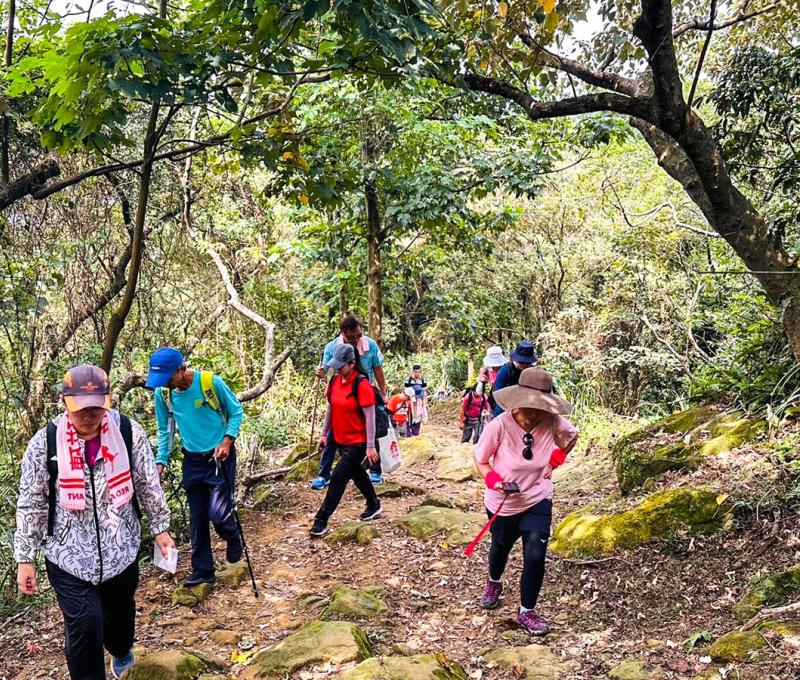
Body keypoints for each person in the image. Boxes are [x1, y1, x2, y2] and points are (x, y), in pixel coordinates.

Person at [14, 365, 174, 679]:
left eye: (96, 408)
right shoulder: (44, 443)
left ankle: (120, 647)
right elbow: (32, 502)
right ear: (64, 402)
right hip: (67, 556)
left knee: (120, 618)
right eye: (80, 409)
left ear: (108, 401)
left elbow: (147, 483)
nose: (88, 416)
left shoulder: (127, 432)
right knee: (84, 625)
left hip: (121, 550)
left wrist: (161, 528)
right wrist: (25, 558)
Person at [474, 367, 577, 636]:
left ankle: (526, 611)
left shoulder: (552, 421)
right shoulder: (499, 426)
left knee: (535, 553)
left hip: (537, 497)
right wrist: (494, 480)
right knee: (501, 546)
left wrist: (556, 460)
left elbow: (571, 437)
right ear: (517, 399)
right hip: (503, 501)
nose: (534, 412)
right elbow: (481, 460)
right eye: (530, 405)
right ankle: (494, 582)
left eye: (541, 406)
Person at [147, 347, 244, 587]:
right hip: (191, 460)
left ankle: (233, 537)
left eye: (168, 378)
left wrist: (227, 440)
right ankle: (203, 569)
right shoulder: (164, 395)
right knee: (197, 516)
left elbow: (236, 411)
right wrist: (161, 460)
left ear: (182, 369)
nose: (165, 385)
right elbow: (165, 429)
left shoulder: (210, 382)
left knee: (219, 514)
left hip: (218, 458)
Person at [310, 344, 382, 537]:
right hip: (341, 439)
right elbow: (331, 409)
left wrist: (370, 446)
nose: (338, 370)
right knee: (356, 473)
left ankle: (321, 520)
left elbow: (370, 417)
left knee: (338, 478)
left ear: (352, 364)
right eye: (336, 367)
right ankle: (374, 504)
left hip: (358, 441)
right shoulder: (334, 381)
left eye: (341, 367)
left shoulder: (362, 384)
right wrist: (324, 435)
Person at [312, 315, 388, 488]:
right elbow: (326, 369)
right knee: (332, 434)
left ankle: (375, 471)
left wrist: (383, 392)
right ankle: (324, 474)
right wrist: (320, 373)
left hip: (364, 393)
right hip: (341, 396)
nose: (355, 339)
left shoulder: (370, 345)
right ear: (343, 333)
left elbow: (377, 368)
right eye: (351, 337)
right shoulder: (332, 348)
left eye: (358, 335)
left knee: (372, 429)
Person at [491, 340, 538, 417]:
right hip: (504, 410)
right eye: (522, 362)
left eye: (527, 363)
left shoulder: (531, 371)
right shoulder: (505, 371)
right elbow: (498, 396)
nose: (524, 365)